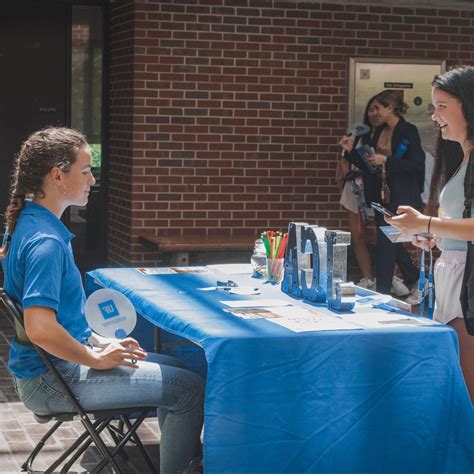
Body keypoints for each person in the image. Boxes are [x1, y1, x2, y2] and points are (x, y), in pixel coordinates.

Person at [0, 127, 204, 473]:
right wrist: (96, 359)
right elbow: (40, 329)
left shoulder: (31, 223)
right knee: (188, 390)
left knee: (182, 370)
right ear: (57, 175)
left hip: (47, 371)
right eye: (85, 171)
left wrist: (99, 341)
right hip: (52, 381)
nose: (92, 179)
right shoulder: (45, 242)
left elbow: (58, 321)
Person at [387, 66, 474, 402]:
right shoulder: (460, 158)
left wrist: (427, 224)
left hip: (466, 283)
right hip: (453, 278)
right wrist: (434, 237)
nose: (435, 117)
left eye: (442, 107)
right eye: (433, 107)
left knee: (465, 390)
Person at [340, 90, 425, 302]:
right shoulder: (379, 132)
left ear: (390, 108)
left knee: (387, 242)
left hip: (401, 196)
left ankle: (384, 292)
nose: (373, 113)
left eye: (378, 108)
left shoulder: (408, 130)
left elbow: (416, 165)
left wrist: (386, 161)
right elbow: (370, 166)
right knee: (388, 240)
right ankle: (411, 276)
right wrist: (350, 152)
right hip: (380, 196)